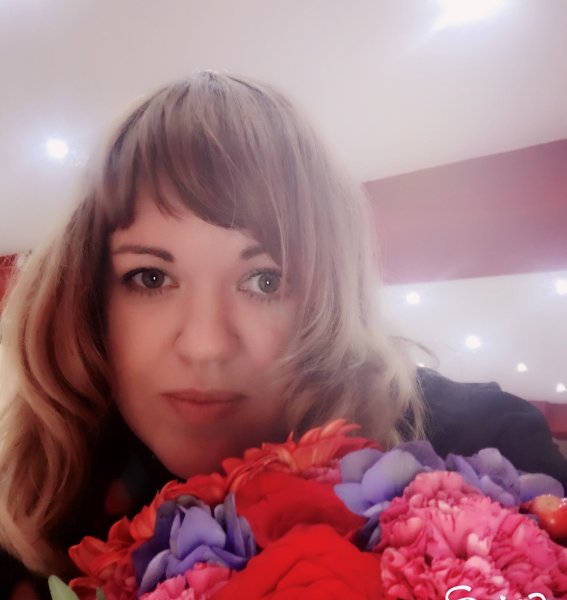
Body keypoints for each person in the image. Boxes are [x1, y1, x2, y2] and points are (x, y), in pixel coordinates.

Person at [0, 72, 565, 598]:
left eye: (264, 280)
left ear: (327, 298)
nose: (205, 345)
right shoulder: (35, 502)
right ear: (88, 297)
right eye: (151, 277)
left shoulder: (483, 448)